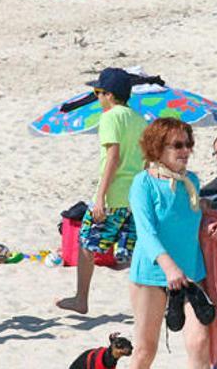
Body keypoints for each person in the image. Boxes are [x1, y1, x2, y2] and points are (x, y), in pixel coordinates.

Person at [56, 68, 147, 314]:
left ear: (109, 94)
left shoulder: (110, 117)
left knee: (86, 242)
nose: (97, 98)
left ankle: (81, 298)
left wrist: (100, 198)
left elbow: (113, 158)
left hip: (115, 195)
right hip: (136, 197)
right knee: (130, 253)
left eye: (98, 93)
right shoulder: (140, 119)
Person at [128, 118, 210, 368]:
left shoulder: (191, 182)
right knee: (145, 350)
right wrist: (169, 268)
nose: (186, 151)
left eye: (189, 144)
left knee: (199, 343)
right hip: (151, 276)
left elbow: (190, 223)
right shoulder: (143, 183)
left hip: (190, 274)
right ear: (157, 148)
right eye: (177, 145)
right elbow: (146, 233)